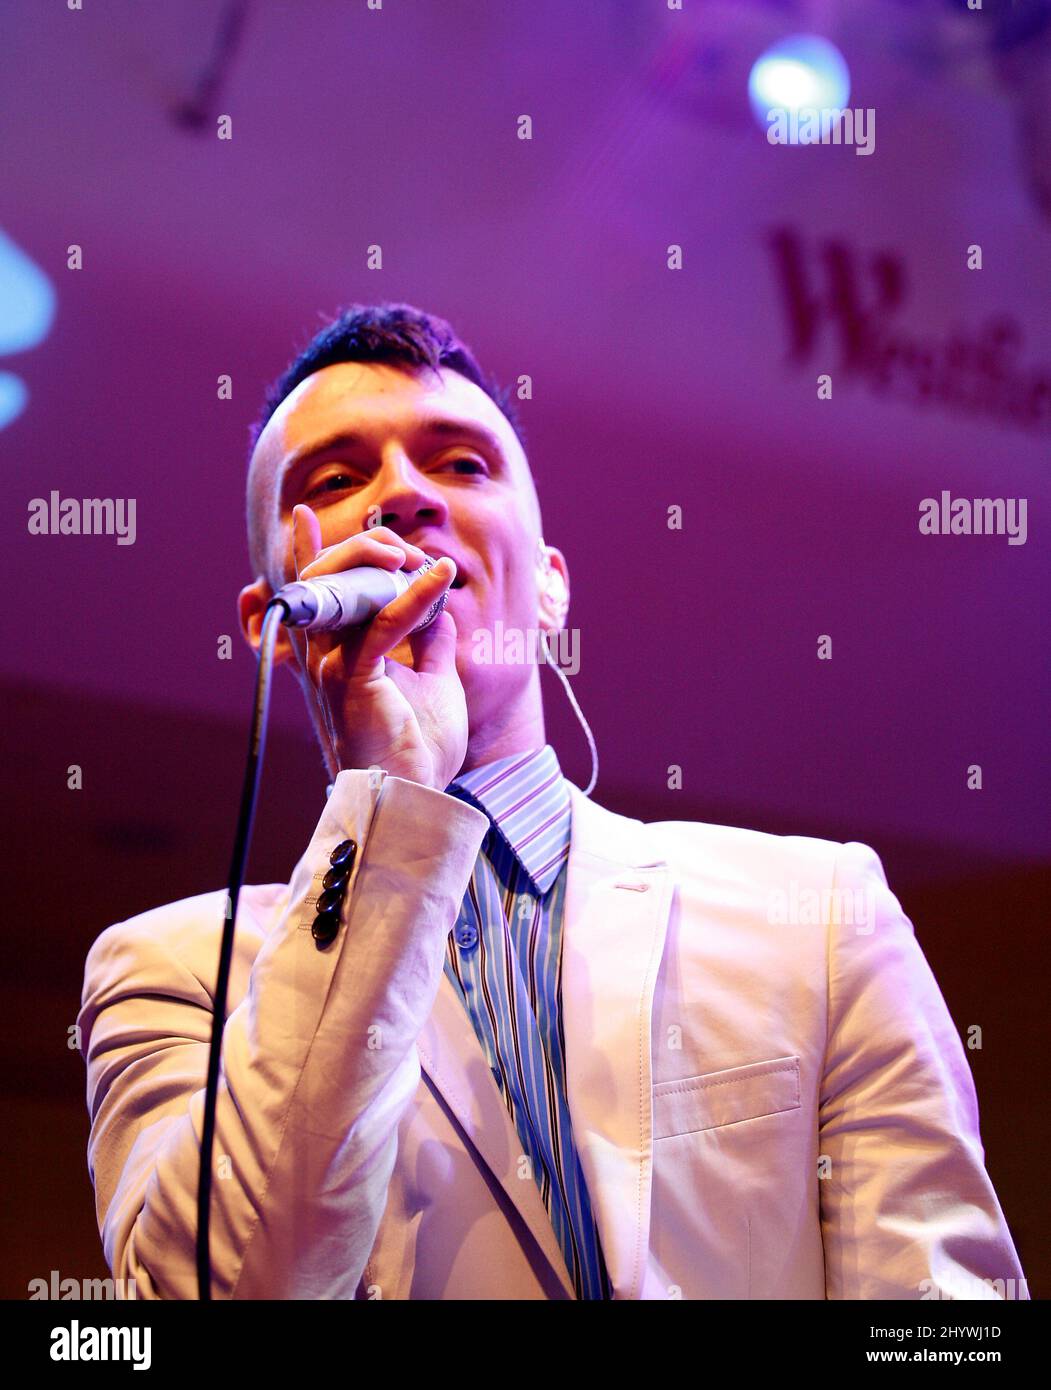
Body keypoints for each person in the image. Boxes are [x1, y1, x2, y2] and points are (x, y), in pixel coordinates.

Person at [78, 303, 1027, 1300]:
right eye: (336, 477)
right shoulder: (174, 972)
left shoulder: (824, 914)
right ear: (271, 624)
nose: (402, 495)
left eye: (460, 465)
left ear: (550, 590)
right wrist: (392, 803)